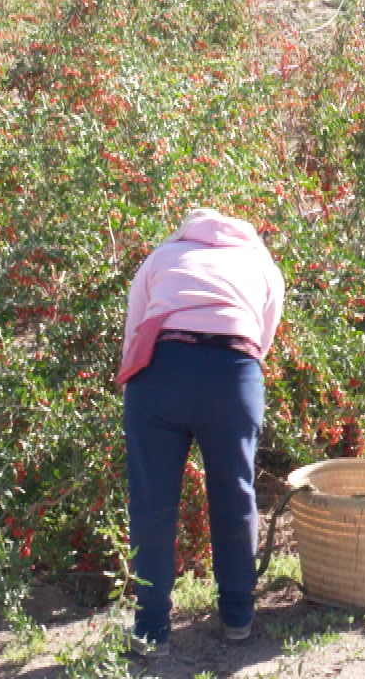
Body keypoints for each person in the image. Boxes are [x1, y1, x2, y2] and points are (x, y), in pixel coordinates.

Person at [117, 208, 285, 657]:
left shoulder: (162, 256)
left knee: (152, 506)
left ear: (186, 230)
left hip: (159, 374)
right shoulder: (261, 264)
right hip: (231, 377)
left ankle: (151, 629)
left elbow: (135, 327)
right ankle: (236, 617)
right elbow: (262, 340)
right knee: (235, 494)